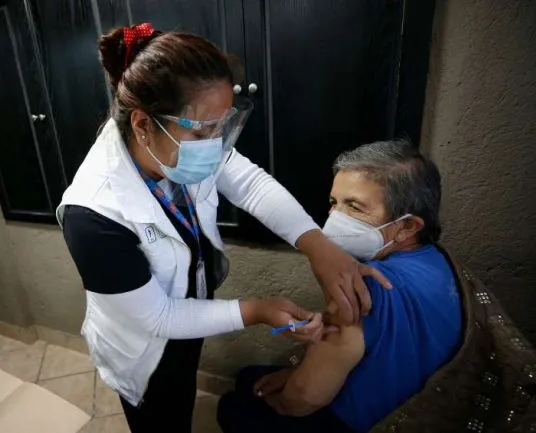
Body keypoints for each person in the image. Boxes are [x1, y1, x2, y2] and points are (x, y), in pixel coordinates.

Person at [57, 23, 389, 433]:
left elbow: (250, 185)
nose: (214, 145)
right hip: (141, 343)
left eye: (222, 126)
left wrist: (317, 245)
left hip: (186, 312)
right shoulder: (93, 215)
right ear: (143, 124)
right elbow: (158, 318)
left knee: (181, 391)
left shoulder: (173, 143)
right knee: (159, 412)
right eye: (201, 131)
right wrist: (256, 310)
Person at [217, 139, 464, 433]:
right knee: (251, 376)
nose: (334, 219)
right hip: (416, 407)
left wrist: (281, 403)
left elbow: (303, 399)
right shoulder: (440, 260)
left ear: (408, 226)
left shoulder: (361, 288)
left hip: (361, 423)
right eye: (334, 203)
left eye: (355, 207)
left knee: (234, 405)